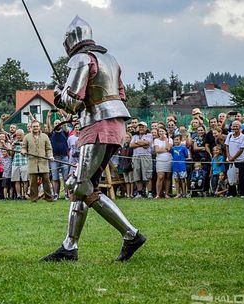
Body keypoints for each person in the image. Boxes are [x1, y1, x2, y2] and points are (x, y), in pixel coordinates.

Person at [42, 16, 145, 262]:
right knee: (81, 187)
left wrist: (58, 93)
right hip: (115, 124)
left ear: (70, 40)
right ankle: (69, 246)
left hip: (98, 125)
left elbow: (73, 102)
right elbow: (121, 94)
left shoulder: (81, 59)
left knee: (80, 185)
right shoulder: (110, 59)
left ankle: (131, 234)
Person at [22, 120, 54, 202]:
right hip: (32, 163)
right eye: (34, 126)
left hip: (43, 162)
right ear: (31, 128)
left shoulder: (45, 136)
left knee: (46, 180)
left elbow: (48, 148)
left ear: (39, 127)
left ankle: (49, 197)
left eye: (37, 126)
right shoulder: (27, 137)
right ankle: (34, 198)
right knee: (33, 182)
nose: (35, 128)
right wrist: (24, 151)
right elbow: (24, 147)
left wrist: (50, 156)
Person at [46, 113, 70, 200]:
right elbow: (48, 127)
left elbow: (65, 125)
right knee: (55, 177)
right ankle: (56, 194)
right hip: (54, 158)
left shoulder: (65, 132)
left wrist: (62, 117)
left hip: (64, 158)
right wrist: (48, 117)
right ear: (54, 125)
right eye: (55, 123)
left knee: (66, 177)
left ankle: (67, 194)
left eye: (58, 123)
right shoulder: (51, 133)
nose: (57, 124)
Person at [130, 122, 153, 198]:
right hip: (136, 157)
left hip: (146, 156)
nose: (141, 128)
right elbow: (131, 145)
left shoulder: (149, 135)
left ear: (146, 128)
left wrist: (137, 143)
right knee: (137, 175)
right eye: (139, 127)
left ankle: (149, 193)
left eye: (143, 127)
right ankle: (139, 193)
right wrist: (141, 143)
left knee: (147, 175)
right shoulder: (134, 136)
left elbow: (147, 143)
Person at [225, 120, 244, 197]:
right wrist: (229, 157)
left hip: (239, 161)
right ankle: (232, 193)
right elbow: (227, 146)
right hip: (229, 160)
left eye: (236, 126)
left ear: (240, 127)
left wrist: (233, 158)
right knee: (231, 177)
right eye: (233, 126)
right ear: (231, 127)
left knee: (241, 177)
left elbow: (241, 149)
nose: (235, 128)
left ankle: (243, 193)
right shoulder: (230, 135)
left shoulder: (243, 137)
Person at [154, 126, 172, 198]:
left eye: (162, 131)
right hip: (160, 160)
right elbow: (157, 150)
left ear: (165, 132)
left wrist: (166, 140)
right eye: (160, 131)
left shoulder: (169, 139)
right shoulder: (156, 140)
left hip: (168, 159)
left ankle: (166, 194)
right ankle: (158, 194)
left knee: (168, 177)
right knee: (160, 177)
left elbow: (169, 148)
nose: (161, 133)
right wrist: (165, 149)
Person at [11, 129, 28, 200]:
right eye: (17, 135)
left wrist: (24, 148)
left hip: (24, 162)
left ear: (23, 135)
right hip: (15, 163)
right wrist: (12, 148)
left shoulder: (26, 142)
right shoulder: (14, 142)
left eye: (20, 135)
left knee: (25, 180)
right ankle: (18, 195)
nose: (18, 136)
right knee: (16, 180)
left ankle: (25, 194)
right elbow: (11, 154)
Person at [117, 133, 133, 198]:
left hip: (130, 166)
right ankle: (128, 194)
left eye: (128, 137)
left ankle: (131, 193)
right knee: (126, 181)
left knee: (131, 180)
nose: (126, 139)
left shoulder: (131, 147)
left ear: (130, 138)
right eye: (125, 137)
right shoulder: (122, 147)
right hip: (123, 165)